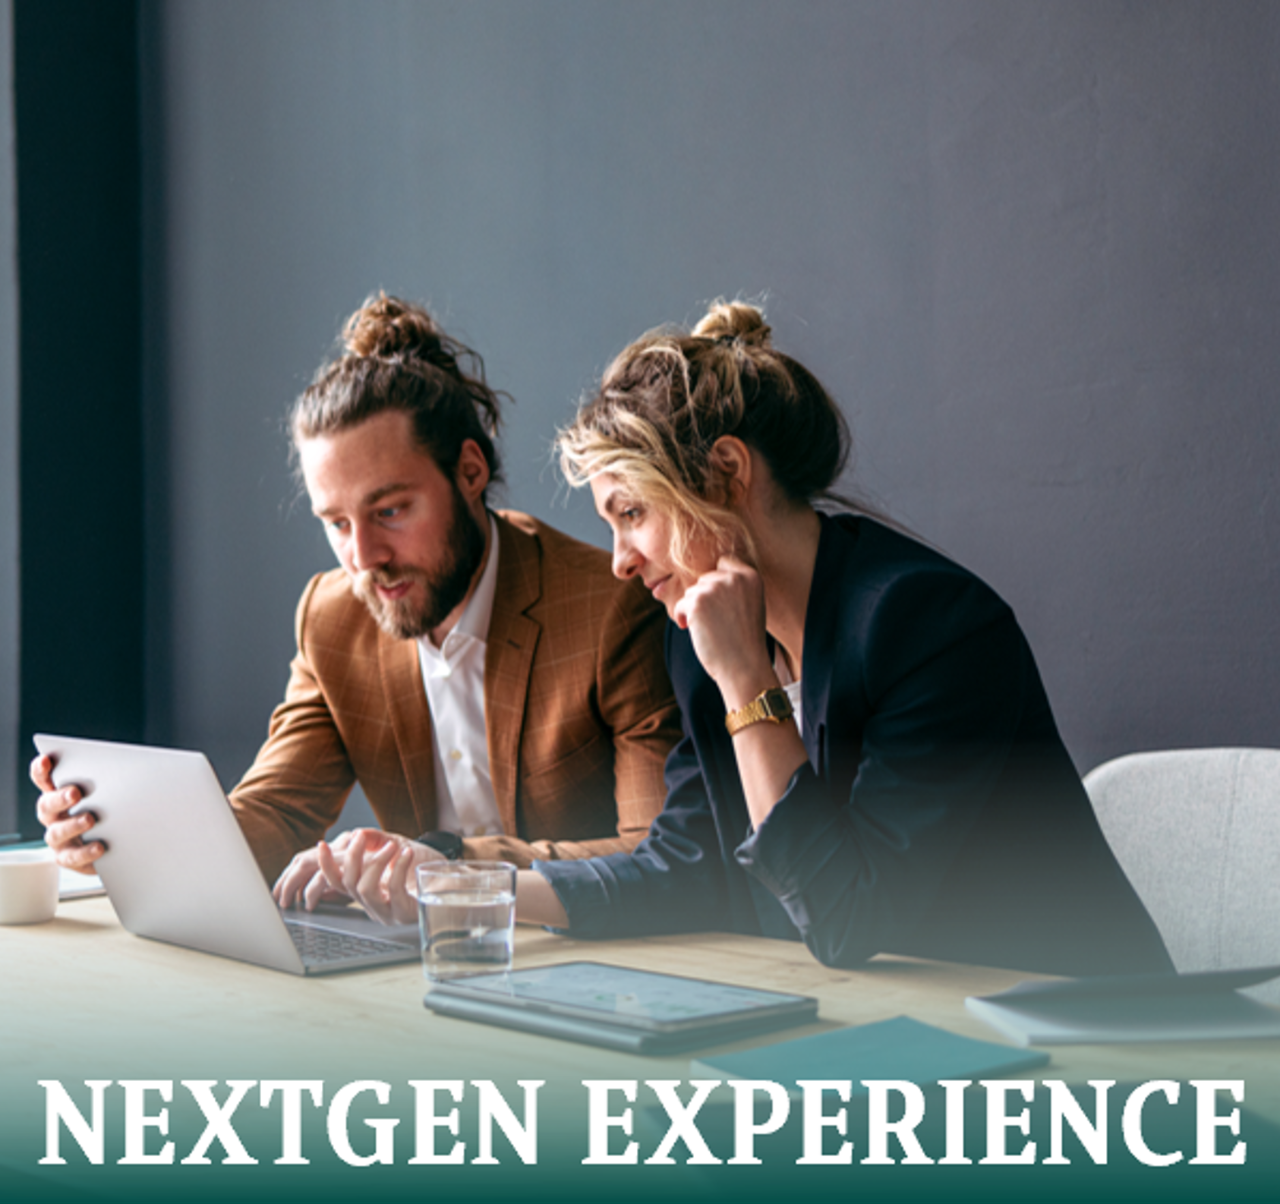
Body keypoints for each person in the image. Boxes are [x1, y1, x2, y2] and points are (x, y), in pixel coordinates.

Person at [520, 299, 1170, 975]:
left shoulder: (928, 625)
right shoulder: (698, 639)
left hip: (1075, 1034)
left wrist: (747, 683)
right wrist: (469, 896)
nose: (620, 560)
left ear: (728, 471)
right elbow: (686, 865)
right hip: (884, 1030)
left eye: (632, 513)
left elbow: (851, 917)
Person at [32, 294, 682, 902]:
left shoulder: (610, 604)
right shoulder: (333, 615)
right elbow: (276, 809)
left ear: (470, 472)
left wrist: (447, 860)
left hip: (584, 964)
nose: (363, 557)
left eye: (391, 510)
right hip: (419, 967)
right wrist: (125, 832)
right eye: (337, 524)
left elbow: (651, 851)